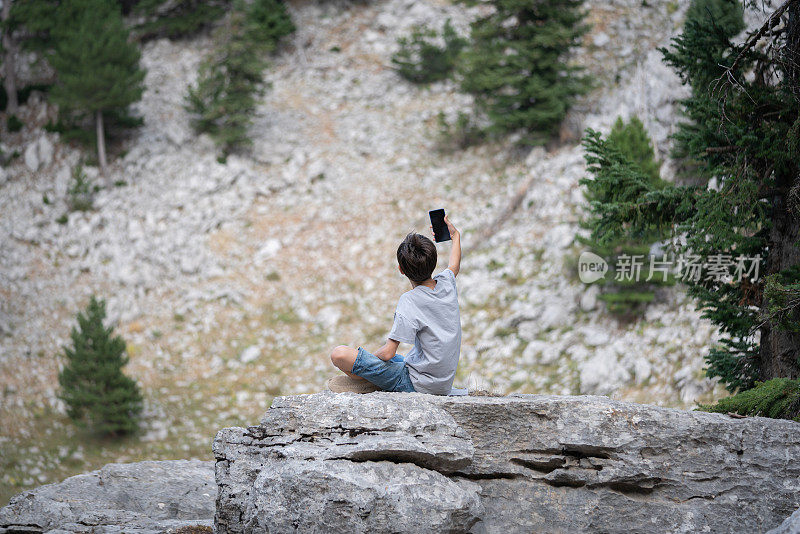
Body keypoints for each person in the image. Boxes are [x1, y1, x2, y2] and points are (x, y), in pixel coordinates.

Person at [327, 214, 462, 395]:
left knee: (339, 354)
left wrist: (365, 363)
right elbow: (454, 265)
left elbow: (388, 353)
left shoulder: (409, 301)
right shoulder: (446, 283)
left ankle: (370, 380)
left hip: (417, 385)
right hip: (442, 384)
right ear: (434, 262)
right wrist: (455, 236)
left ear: (401, 270)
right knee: (400, 361)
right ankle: (375, 379)